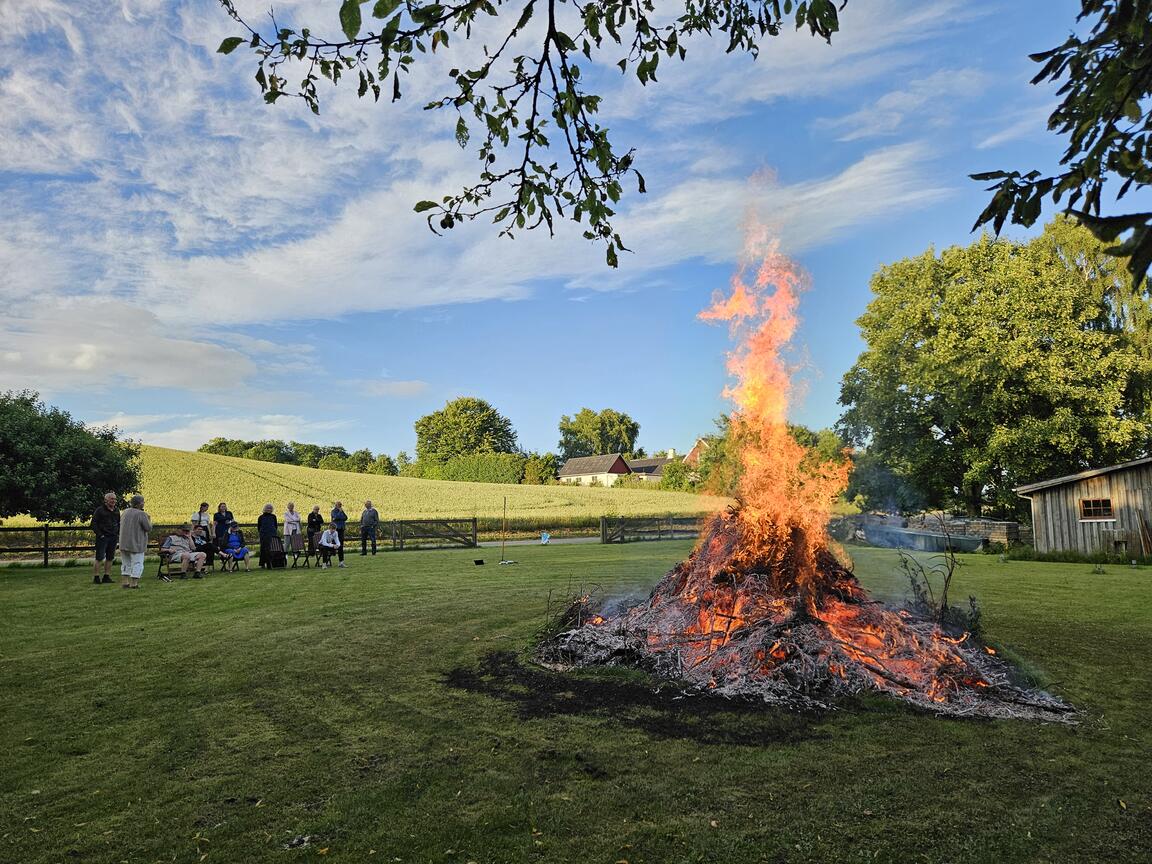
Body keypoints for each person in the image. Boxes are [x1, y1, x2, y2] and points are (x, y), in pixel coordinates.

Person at [118, 494, 151, 590]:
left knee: (125, 563)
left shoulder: (125, 512)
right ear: (139, 504)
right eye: (143, 502)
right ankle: (134, 583)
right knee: (137, 563)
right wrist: (149, 519)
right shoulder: (141, 514)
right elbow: (148, 528)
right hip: (136, 543)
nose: (144, 503)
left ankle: (125, 582)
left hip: (124, 542)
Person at [90, 491, 120, 585]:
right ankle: (96, 577)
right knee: (99, 557)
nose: (114, 501)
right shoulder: (100, 510)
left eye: (115, 499)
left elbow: (119, 523)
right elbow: (93, 524)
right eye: (112, 499)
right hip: (103, 537)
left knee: (110, 557)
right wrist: (100, 535)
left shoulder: (116, 510)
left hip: (113, 537)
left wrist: (118, 533)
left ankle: (106, 576)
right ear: (106, 500)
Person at [257, 503, 278, 569]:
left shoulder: (273, 516)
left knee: (271, 549)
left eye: (270, 508)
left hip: (272, 535)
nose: (269, 510)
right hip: (264, 535)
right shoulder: (261, 517)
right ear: (265, 509)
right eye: (267, 508)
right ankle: (263, 563)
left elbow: (275, 526)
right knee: (263, 549)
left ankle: (270, 563)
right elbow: (259, 527)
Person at [330, 501, 348, 568]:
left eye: (341, 505)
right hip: (335, 530)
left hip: (341, 530)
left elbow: (345, 518)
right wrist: (340, 513)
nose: (340, 506)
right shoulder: (333, 511)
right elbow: (336, 517)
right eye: (339, 505)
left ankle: (341, 562)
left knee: (341, 546)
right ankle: (326, 561)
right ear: (336, 505)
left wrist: (341, 514)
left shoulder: (341, 511)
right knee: (334, 545)